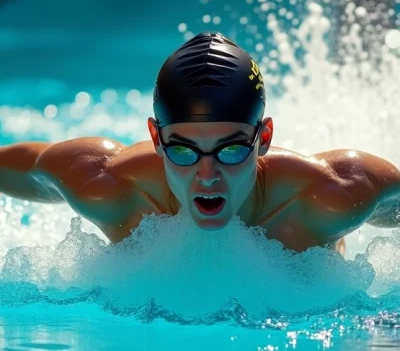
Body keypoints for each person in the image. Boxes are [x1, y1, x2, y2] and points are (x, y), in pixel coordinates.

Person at [0, 32, 399, 253]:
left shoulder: (327, 197)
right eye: (183, 151)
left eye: (229, 150)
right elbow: (30, 166)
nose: (207, 175)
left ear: (264, 139)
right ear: (156, 138)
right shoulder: (111, 188)